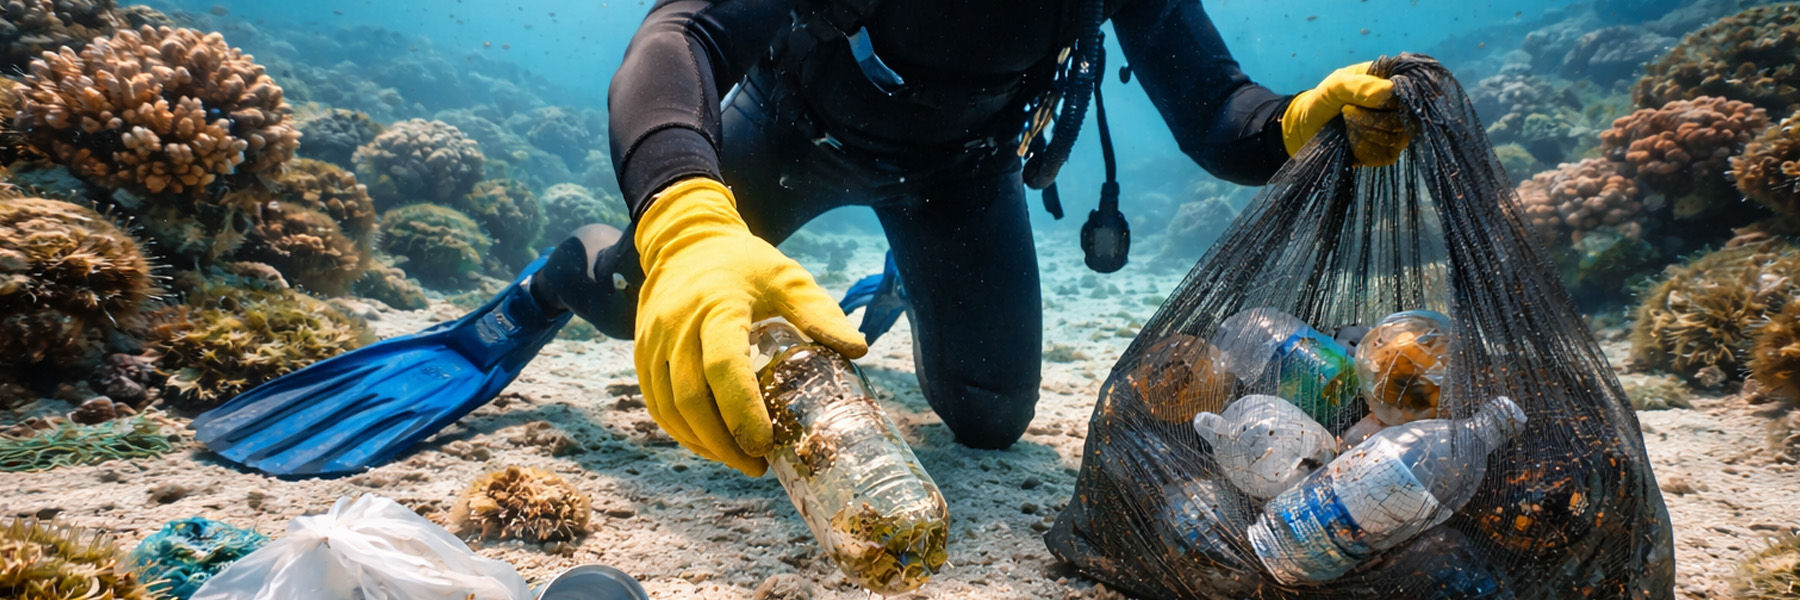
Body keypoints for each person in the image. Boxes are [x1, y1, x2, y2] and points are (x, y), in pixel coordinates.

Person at [189, 0, 1408, 478]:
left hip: (956, 174)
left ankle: (894, 281)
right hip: (785, 130)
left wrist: (1301, 120)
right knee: (636, 302)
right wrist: (685, 214)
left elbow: (1218, 112)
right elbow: (678, 44)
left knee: (987, 418)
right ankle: (574, 268)